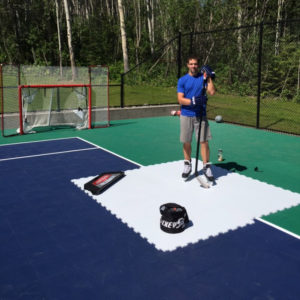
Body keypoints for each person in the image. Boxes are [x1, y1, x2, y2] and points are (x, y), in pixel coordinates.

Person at [177, 56, 216, 180]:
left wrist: (209, 77)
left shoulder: (203, 78)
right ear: (187, 65)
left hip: (200, 114)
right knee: (186, 140)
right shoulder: (182, 80)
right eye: (191, 64)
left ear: (198, 65)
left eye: (195, 64)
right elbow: (180, 99)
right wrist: (193, 101)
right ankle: (187, 164)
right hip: (186, 114)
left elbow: (212, 92)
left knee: (204, 141)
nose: (193, 66)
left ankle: (206, 166)